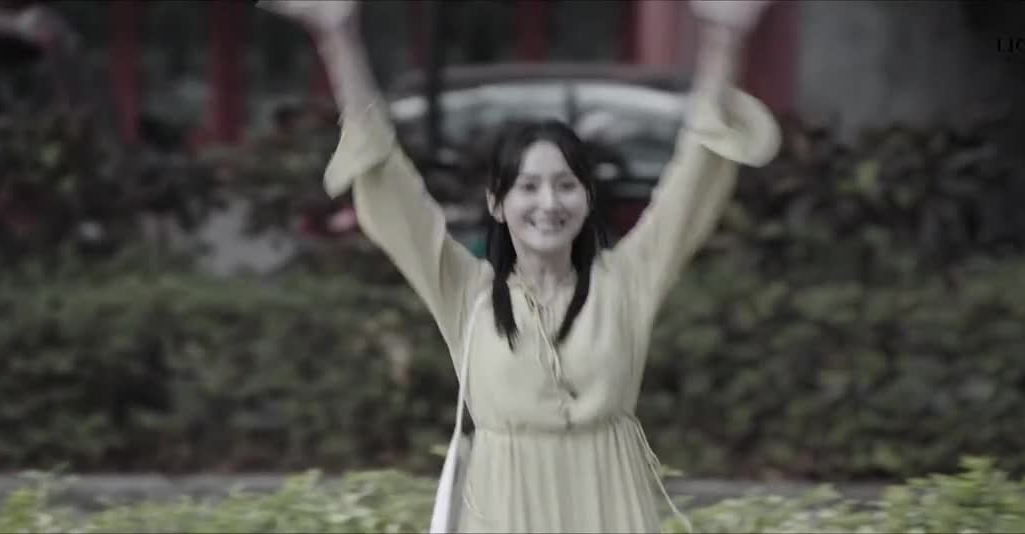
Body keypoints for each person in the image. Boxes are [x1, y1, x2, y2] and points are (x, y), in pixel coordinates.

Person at [260, 1, 781, 532]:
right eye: (528, 187)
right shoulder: (466, 292)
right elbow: (389, 182)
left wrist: (724, 40)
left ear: (587, 198)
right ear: (497, 203)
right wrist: (339, 37)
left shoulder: (626, 282)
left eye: (565, 185)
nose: (547, 203)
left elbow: (693, 175)